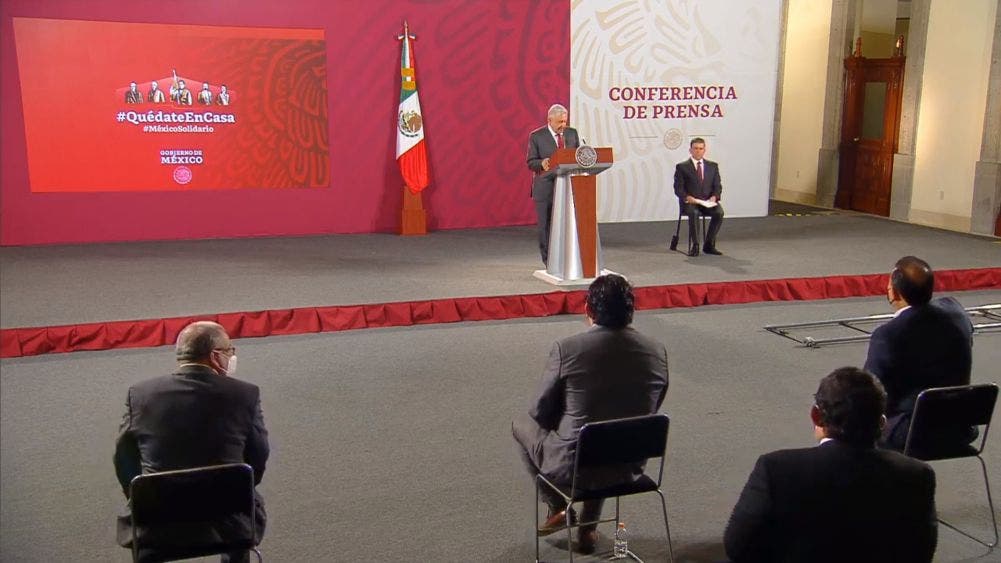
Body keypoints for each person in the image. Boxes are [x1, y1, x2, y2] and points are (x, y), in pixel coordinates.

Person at [512, 274, 668, 554]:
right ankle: (588, 529)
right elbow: (651, 409)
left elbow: (538, 411)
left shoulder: (567, 349)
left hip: (574, 468)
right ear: (632, 311)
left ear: (588, 310)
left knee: (521, 425)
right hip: (629, 466)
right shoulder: (658, 352)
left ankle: (559, 506)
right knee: (608, 433)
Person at [724, 367, 937, 563]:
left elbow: (738, 546)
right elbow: (920, 551)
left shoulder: (776, 468)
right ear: (882, 423)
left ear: (816, 415)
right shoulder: (917, 474)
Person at [114, 321, 269, 563]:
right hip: (227, 517)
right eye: (230, 351)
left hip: (158, 517)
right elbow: (258, 456)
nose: (232, 357)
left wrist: (141, 494)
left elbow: (124, 458)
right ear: (215, 356)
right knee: (243, 501)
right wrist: (236, 486)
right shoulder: (244, 394)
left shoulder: (141, 394)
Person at [864, 256, 975, 451]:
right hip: (960, 427)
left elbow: (871, 391)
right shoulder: (957, 312)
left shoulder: (888, 335)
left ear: (894, 292)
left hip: (912, 430)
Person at [527, 104, 580, 266]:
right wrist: (541, 163)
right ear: (549, 120)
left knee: (568, 224)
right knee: (546, 226)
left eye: (565, 121)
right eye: (559, 122)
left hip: (567, 187)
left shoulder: (572, 133)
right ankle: (548, 260)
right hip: (545, 188)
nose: (563, 125)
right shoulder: (537, 136)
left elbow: (578, 155)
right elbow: (531, 162)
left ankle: (567, 258)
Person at [673, 137, 724, 256]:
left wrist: (714, 197)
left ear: (704, 150)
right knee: (694, 213)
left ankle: (708, 244)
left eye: (701, 149)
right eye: (695, 148)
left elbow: (717, 186)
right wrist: (686, 197)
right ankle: (695, 245)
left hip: (707, 202)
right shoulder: (682, 167)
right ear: (690, 150)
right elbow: (678, 188)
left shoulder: (713, 166)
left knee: (719, 212)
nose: (698, 151)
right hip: (690, 203)